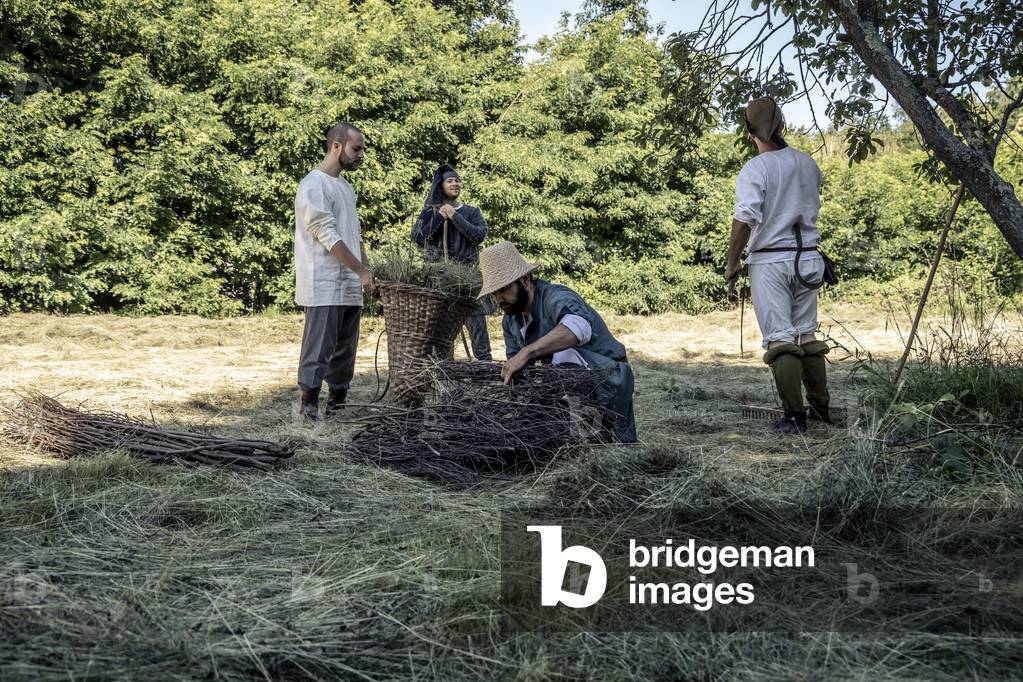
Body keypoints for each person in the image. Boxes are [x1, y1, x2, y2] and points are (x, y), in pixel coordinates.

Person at [724, 97, 830, 434]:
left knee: (779, 339)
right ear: (782, 126)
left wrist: (732, 262)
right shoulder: (808, 163)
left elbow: (744, 219)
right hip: (809, 257)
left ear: (750, 132)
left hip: (771, 259)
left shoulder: (756, 168)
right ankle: (821, 410)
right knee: (806, 333)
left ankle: (794, 418)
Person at [477, 240, 637, 443]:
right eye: (494, 293)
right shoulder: (510, 321)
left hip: (607, 378)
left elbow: (578, 328)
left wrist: (527, 352)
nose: (499, 299)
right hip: (560, 387)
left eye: (504, 289)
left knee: (564, 359)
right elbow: (519, 372)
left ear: (525, 280)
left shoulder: (555, 296)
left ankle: (587, 438)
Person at [294, 122, 375, 422]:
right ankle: (309, 408)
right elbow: (325, 234)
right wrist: (360, 270)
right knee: (319, 347)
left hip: (351, 283)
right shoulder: (313, 185)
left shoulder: (345, 187)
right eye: (357, 149)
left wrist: (365, 270)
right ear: (336, 146)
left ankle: (337, 406)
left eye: (362, 149)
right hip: (324, 281)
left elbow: (355, 235)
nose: (361, 155)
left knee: (345, 350)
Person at [411, 163, 492, 360]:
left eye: (457, 180)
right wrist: (439, 216)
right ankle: (447, 371)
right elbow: (419, 238)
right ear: (441, 186)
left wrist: (455, 215)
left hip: (469, 278)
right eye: (450, 180)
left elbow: (478, 236)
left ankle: (485, 371)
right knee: (442, 331)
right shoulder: (429, 212)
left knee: (478, 327)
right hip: (440, 280)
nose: (455, 183)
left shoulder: (472, 212)